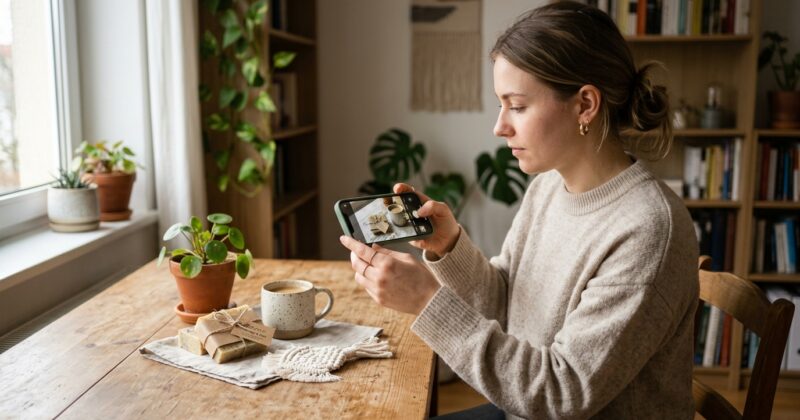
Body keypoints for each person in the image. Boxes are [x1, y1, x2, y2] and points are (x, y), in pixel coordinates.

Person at [339, 1, 699, 419]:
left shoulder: (648, 229)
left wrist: (425, 299)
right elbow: (507, 305)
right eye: (501, 104)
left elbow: (563, 393)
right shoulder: (548, 186)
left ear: (585, 105)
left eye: (518, 105)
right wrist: (450, 247)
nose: (500, 126)